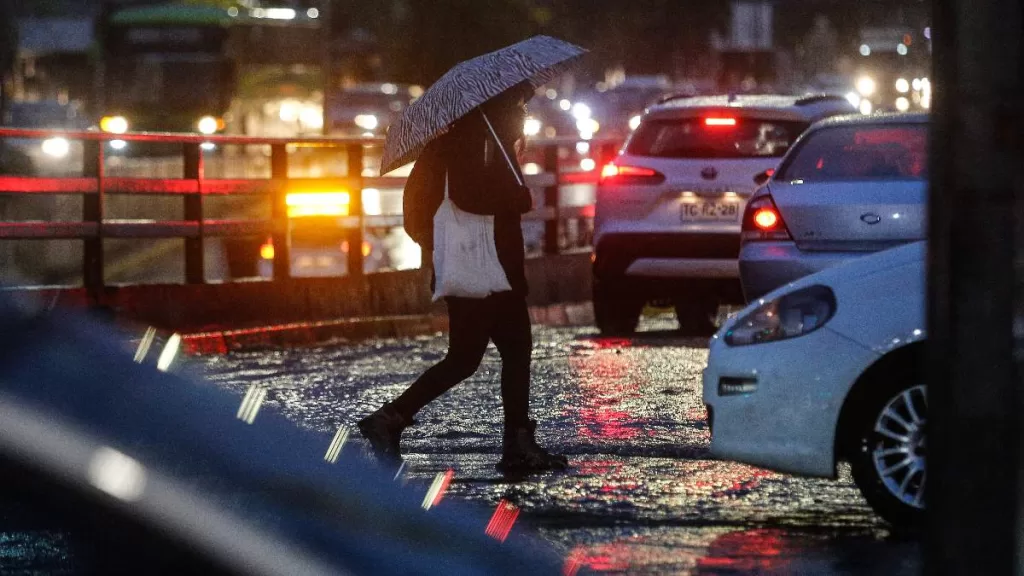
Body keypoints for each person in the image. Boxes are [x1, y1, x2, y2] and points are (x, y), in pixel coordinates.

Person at [357, 82, 568, 474]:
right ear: (500, 105)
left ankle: (396, 419)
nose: (525, 112)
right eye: (520, 104)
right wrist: (517, 198)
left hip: (478, 264)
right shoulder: (478, 141)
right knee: (497, 352)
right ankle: (513, 441)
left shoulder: (476, 138)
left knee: (482, 355)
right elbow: (471, 196)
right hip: (485, 268)